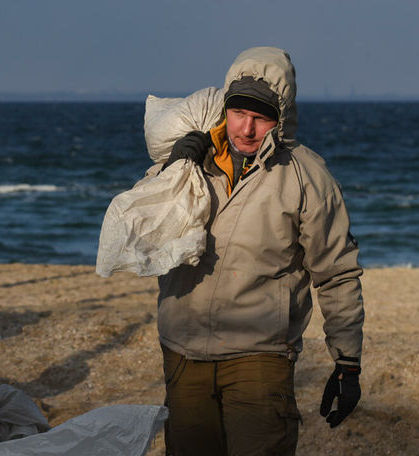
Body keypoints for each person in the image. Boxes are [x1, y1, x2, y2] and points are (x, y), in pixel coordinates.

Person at [156, 47, 364, 455]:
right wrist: (171, 169)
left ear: (281, 116)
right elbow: (146, 226)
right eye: (238, 113)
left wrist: (347, 363)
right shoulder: (194, 158)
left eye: (261, 116)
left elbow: (336, 273)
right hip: (182, 353)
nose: (246, 129)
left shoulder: (307, 177)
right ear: (225, 108)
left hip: (260, 359)